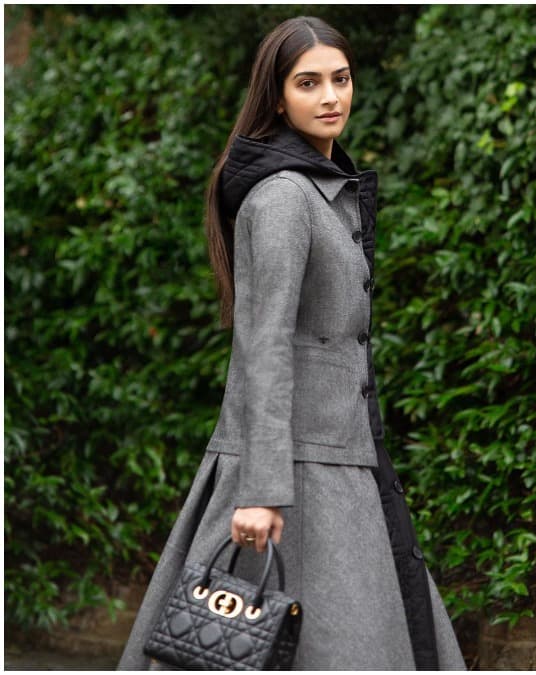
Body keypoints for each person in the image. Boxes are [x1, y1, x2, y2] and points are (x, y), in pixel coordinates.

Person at [118, 17, 465, 669]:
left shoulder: (326, 191)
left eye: (341, 79)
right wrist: (260, 488)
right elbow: (264, 344)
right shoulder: (282, 198)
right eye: (309, 83)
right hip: (285, 474)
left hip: (342, 464)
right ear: (278, 98)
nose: (331, 96)